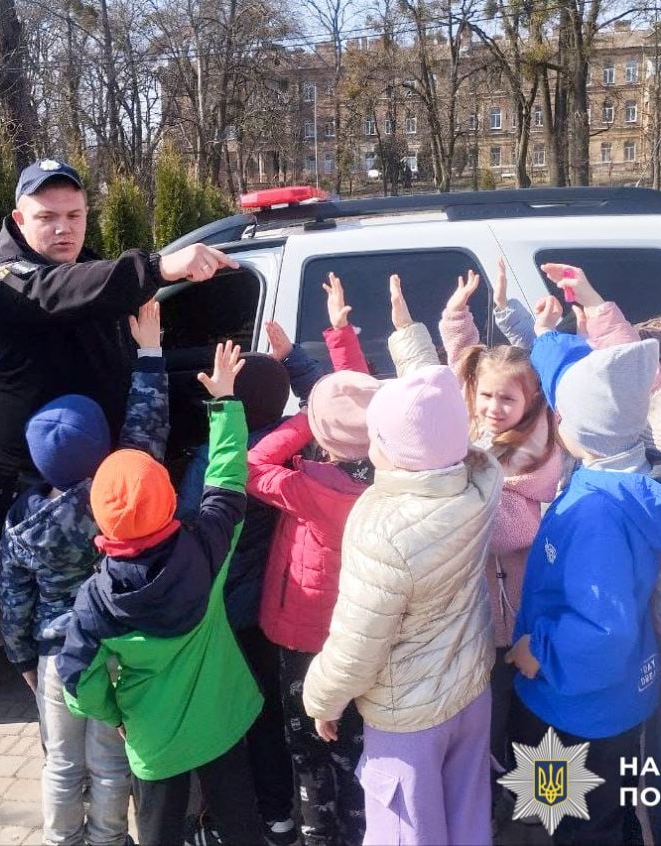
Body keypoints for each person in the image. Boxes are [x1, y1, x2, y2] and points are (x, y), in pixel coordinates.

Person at [302, 284, 503, 845]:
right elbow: (437, 412)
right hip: (470, 693)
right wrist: (408, 336)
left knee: (407, 832)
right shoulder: (481, 478)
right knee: (468, 819)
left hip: (408, 716)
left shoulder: (382, 527)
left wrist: (322, 698)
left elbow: (357, 642)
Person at [507, 298, 661, 846]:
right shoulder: (624, 473)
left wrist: (540, 651)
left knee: (575, 821)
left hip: (574, 706)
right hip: (605, 699)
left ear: (578, 428)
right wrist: (545, 334)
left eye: (560, 414)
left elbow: (602, 629)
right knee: (599, 812)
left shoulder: (596, 514)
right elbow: (583, 387)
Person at [58, 342, 265, 846]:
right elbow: (226, 481)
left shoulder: (95, 601)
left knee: (157, 832)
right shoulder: (207, 546)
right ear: (170, 496)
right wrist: (224, 404)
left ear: (101, 519)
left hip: (154, 737)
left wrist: (114, 714)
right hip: (223, 721)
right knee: (242, 825)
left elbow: (76, 681)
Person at [0, 302, 167, 846]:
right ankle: (109, 839)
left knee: (62, 762)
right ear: (102, 447)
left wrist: (22, 658)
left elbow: (13, 599)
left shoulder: (22, 523)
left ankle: (61, 839)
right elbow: (146, 429)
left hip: (56, 654)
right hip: (114, 649)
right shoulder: (120, 496)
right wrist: (150, 352)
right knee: (110, 760)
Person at [0, 157, 238, 501]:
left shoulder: (77, 260)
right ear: (19, 220)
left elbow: (100, 290)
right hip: (45, 479)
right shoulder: (4, 278)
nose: (63, 228)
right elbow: (64, 289)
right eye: (47, 217)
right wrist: (158, 268)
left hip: (105, 455)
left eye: (74, 215)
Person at [247, 275, 377, 846]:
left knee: (306, 746)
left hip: (303, 637)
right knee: (354, 743)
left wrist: (304, 421)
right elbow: (357, 398)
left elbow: (251, 466)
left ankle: (318, 833)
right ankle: (362, 829)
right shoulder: (388, 468)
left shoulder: (309, 488)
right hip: (360, 636)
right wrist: (340, 335)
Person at [434, 268, 565, 815]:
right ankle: (493, 799)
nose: (492, 407)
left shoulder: (535, 444)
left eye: (506, 399)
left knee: (524, 717)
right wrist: (457, 315)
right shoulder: (479, 423)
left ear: (532, 400)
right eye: (486, 396)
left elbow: (516, 530)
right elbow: (465, 366)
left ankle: (538, 803)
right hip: (482, 615)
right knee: (490, 715)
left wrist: (476, 490)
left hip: (519, 617)